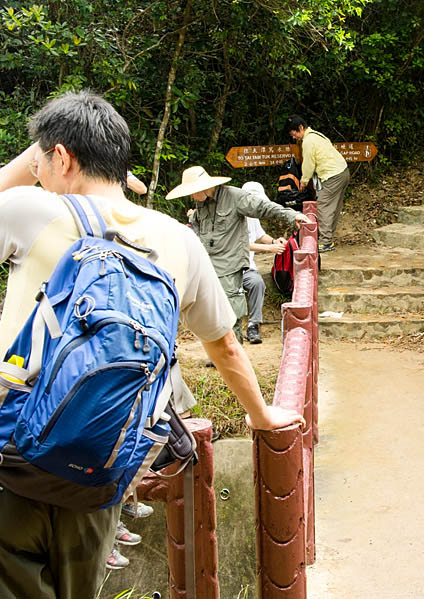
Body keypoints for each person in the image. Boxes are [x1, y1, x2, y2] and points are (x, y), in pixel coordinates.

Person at [0, 90, 304, 599]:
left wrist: (30, 161)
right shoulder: (176, 238)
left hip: (13, 459)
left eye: (43, 159)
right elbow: (225, 346)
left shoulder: (32, 209)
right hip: (100, 468)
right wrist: (261, 416)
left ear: (61, 157)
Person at [167, 166, 310, 344]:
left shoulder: (234, 197)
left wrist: (291, 215)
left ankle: (234, 349)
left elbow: (263, 207)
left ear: (202, 188)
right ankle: (220, 350)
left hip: (229, 263)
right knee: (212, 310)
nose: (190, 196)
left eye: (191, 192)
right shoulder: (201, 204)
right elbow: (199, 229)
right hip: (207, 264)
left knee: (230, 310)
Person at [285, 115, 349, 252]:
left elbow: (309, 163)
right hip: (343, 171)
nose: (294, 137)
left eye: (294, 133)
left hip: (333, 175)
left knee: (323, 205)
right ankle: (328, 237)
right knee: (334, 206)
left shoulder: (308, 141)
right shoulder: (317, 135)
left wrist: (304, 180)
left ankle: (326, 241)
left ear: (301, 128)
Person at [240, 181, 288, 344]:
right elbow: (242, 245)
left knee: (257, 283)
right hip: (231, 267)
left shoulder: (252, 216)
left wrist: (274, 241)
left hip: (248, 268)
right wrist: (270, 249)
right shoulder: (236, 216)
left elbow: (259, 235)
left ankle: (254, 325)